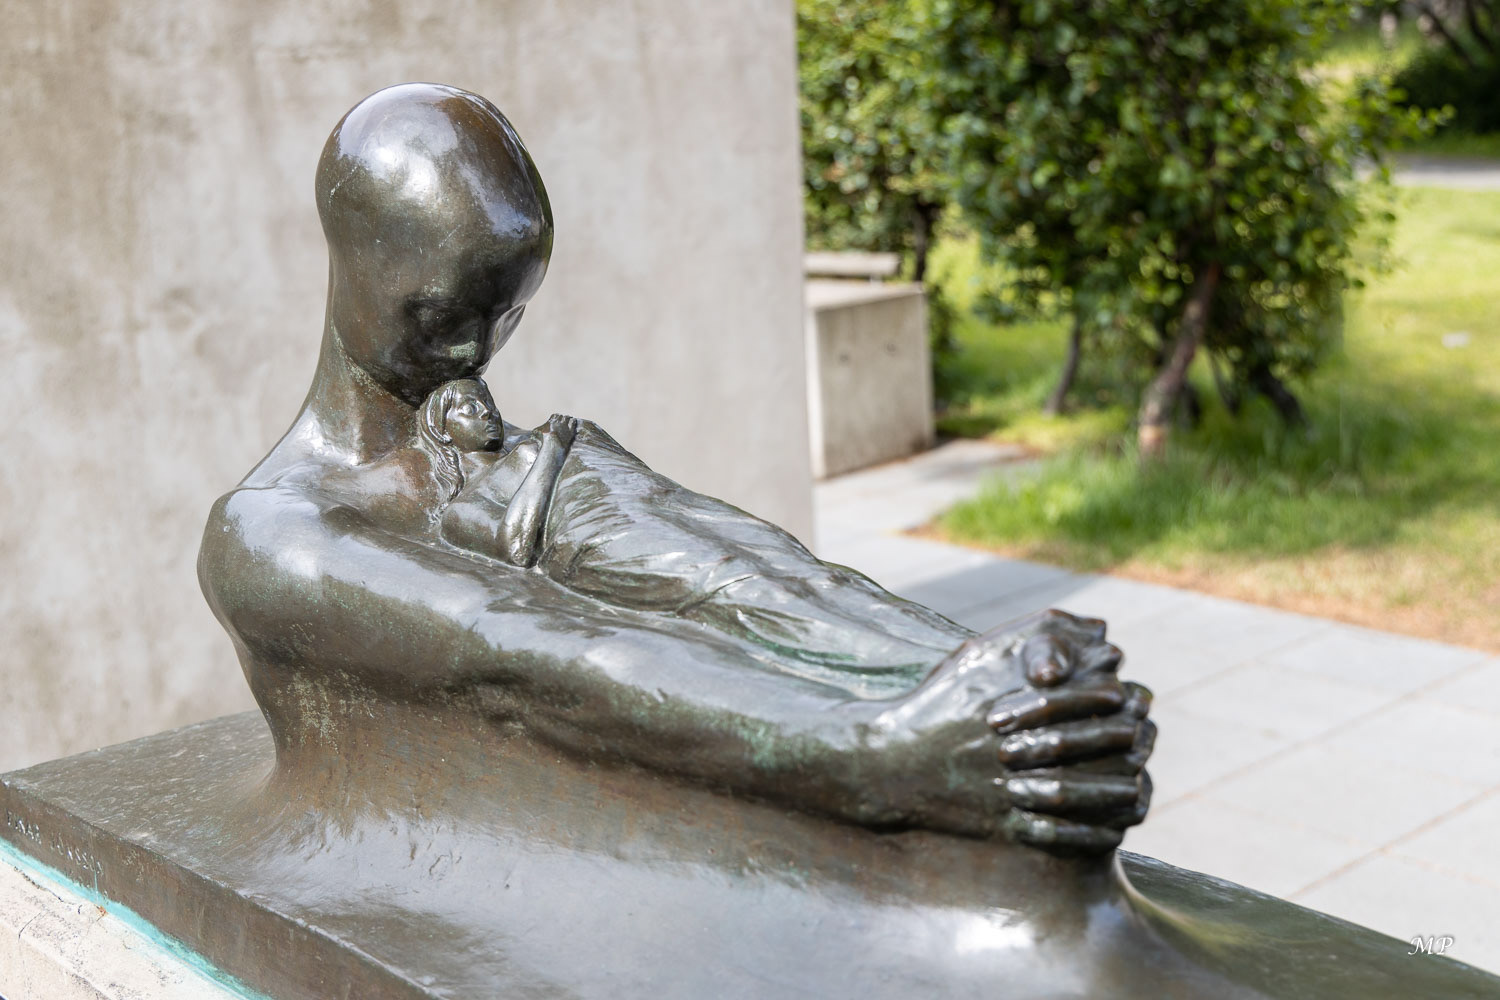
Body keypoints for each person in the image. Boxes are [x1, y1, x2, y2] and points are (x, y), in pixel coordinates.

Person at [198, 83, 1152, 852]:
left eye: (510, 315)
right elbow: (534, 654)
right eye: (445, 317)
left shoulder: (488, 454)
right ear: (356, 263)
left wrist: (1009, 683)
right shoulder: (274, 534)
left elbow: (764, 578)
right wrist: (877, 755)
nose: (480, 350)